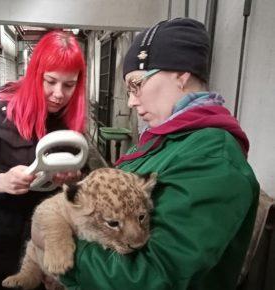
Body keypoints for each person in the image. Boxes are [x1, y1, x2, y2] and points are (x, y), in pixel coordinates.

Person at [33, 18, 260, 289]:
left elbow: (150, 277)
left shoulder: (211, 159)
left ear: (181, 75)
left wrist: (63, 255)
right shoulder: (165, 140)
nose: (130, 101)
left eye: (137, 84)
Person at [0, 30, 86, 290]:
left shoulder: (70, 123)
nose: (59, 94)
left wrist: (73, 181)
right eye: (51, 81)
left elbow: (82, 180)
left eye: (69, 85)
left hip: (40, 251)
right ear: (35, 75)